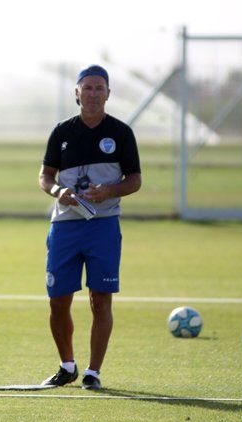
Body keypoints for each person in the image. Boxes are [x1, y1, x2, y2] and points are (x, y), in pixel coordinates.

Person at [38, 64, 142, 391]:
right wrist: (58, 191)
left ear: (109, 93)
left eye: (100, 88)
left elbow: (135, 180)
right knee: (58, 300)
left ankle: (93, 372)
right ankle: (66, 366)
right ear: (77, 93)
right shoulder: (61, 132)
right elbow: (45, 176)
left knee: (101, 299)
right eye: (88, 87)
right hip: (65, 227)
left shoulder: (121, 133)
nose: (93, 94)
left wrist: (108, 191)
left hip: (103, 227)